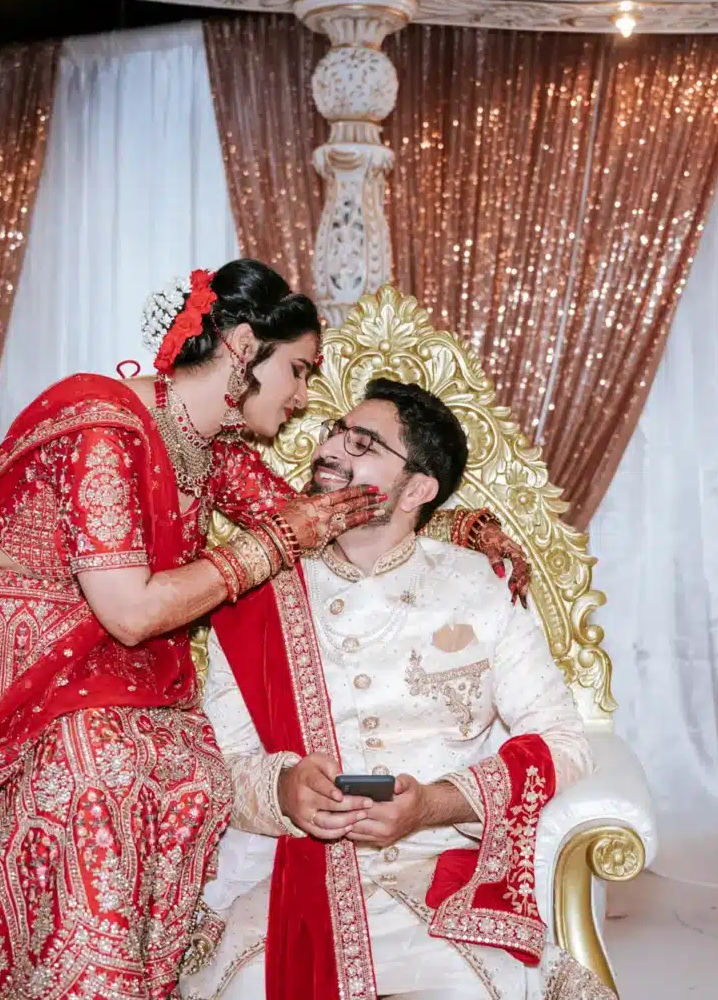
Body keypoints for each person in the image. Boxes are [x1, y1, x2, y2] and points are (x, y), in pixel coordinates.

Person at [0, 260, 531, 1000]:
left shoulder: (205, 446)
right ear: (244, 347)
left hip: (89, 672)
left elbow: (326, 519)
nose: (302, 397)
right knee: (98, 782)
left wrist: (450, 521)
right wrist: (273, 543)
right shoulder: (102, 429)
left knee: (191, 775)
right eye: (298, 370)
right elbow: (132, 613)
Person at [180, 378, 616, 1000]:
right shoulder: (257, 596)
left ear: (416, 488)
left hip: (437, 880)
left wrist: (433, 805)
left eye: (363, 443)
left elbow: (564, 744)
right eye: (335, 431)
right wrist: (284, 790)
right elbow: (219, 764)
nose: (331, 448)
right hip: (295, 877)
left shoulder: (479, 587)